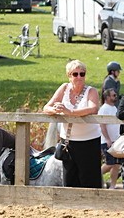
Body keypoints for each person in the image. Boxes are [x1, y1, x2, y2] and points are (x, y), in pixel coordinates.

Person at [44, 59, 103, 188]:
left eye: (82, 74)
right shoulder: (64, 88)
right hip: (68, 142)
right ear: (69, 76)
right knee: (69, 178)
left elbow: (93, 109)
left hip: (89, 141)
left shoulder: (91, 91)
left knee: (89, 179)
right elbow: (46, 107)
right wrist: (56, 110)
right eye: (75, 74)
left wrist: (69, 111)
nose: (79, 77)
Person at [98, 87, 121, 188]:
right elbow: (102, 125)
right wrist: (107, 139)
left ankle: (112, 186)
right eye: (113, 95)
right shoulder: (104, 109)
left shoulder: (114, 108)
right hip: (107, 141)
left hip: (116, 140)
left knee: (116, 165)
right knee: (110, 164)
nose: (116, 97)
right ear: (107, 97)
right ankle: (95, 175)